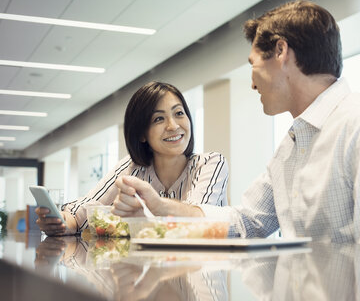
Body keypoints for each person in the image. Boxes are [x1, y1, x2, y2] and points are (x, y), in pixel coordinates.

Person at [114, 0, 360, 243]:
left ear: (281, 51)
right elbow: (246, 222)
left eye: (253, 65)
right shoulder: (291, 149)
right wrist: (160, 207)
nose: (253, 84)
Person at [36, 81, 228, 236]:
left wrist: (154, 207)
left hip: (199, 273)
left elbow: (200, 219)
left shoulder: (210, 164)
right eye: (158, 119)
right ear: (142, 134)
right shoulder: (132, 168)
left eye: (179, 113)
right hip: (148, 273)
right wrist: (62, 222)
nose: (173, 126)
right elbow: (84, 210)